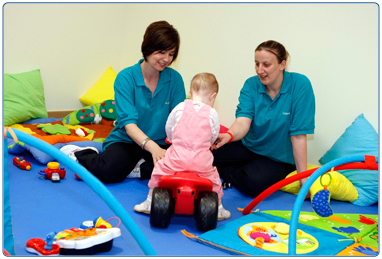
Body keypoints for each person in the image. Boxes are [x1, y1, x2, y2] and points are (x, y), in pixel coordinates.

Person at [61, 21, 186, 182]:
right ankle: (83, 153)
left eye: (171, 54)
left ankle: (137, 167)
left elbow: (180, 120)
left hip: (161, 142)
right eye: (161, 52)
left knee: (181, 170)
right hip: (128, 141)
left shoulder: (175, 79)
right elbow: (129, 126)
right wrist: (153, 148)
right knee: (107, 172)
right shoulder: (126, 77)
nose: (166, 59)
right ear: (147, 47)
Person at [211, 40, 315, 198]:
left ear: (282, 65)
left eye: (266, 64)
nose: (260, 70)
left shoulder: (300, 85)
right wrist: (229, 135)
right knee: (203, 154)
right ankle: (233, 166)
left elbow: (299, 136)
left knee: (252, 183)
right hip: (248, 146)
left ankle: (226, 171)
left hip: (277, 159)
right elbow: (242, 122)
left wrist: (304, 181)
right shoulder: (251, 85)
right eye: (257, 64)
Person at [134, 73, 231, 221]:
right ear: (213, 96)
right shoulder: (212, 113)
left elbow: (169, 127)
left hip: (176, 159)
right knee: (214, 179)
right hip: (200, 162)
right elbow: (213, 134)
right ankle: (219, 209)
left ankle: (149, 201)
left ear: (190, 93)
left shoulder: (180, 107)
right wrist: (209, 143)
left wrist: (173, 139)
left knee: (159, 169)